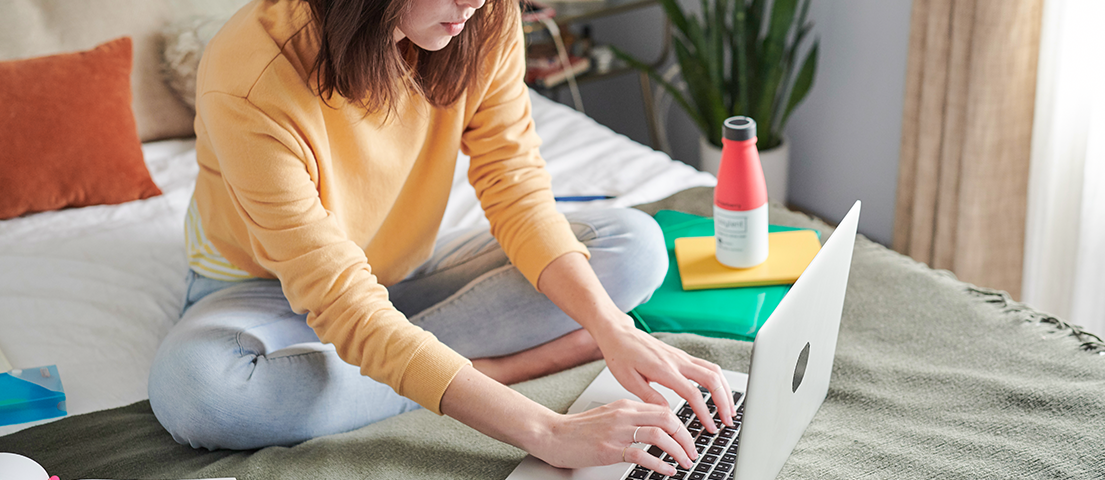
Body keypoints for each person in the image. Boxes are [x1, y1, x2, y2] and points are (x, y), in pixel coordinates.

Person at [147, 0, 736, 475]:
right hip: (263, 286)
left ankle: (411, 360)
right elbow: (339, 300)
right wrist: (546, 431)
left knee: (633, 246)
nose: (472, 6)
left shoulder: (483, 18)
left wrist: (611, 330)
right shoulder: (248, 75)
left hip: (400, 275)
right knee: (200, 391)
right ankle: (492, 369)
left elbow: (515, 188)